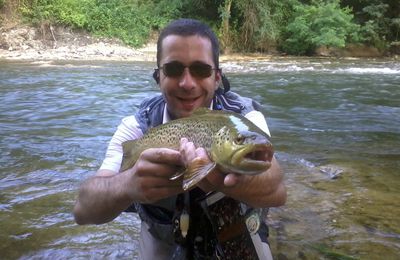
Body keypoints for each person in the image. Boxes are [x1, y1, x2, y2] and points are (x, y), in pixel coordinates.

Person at [73, 18, 286, 259]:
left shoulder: (243, 117)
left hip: (236, 228)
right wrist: (127, 185)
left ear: (217, 77)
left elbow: (277, 191)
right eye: (173, 70)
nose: (187, 83)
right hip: (163, 234)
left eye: (201, 70)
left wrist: (218, 178)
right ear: (158, 77)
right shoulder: (137, 127)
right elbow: (83, 211)